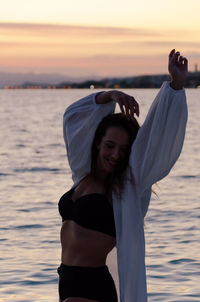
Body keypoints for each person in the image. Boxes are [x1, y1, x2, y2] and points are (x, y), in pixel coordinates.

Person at [57, 49, 188, 302]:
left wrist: (175, 86)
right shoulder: (82, 172)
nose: (116, 155)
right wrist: (112, 95)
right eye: (110, 146)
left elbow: (157, 141)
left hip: (92, 285)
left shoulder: (128, 185)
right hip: (67, 280)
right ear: (97, 143)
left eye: (123, 150)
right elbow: (72, 117)